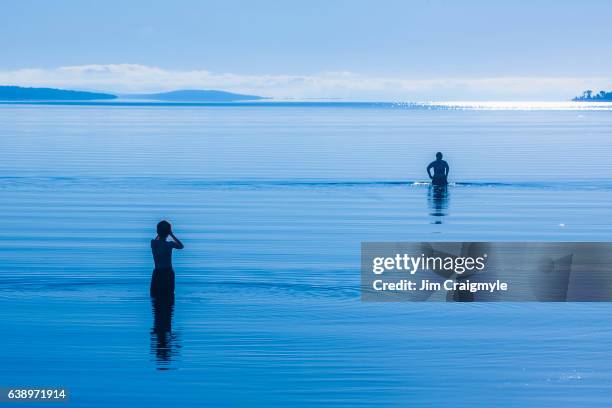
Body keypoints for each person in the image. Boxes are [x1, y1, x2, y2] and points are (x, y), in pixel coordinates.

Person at [150, 220, 184, 298]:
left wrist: (160, 232)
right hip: (168, 272)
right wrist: (171, 234)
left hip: (157, 272)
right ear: (168, 232)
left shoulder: (153, 243)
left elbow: (157, 239)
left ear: (157, 231)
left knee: (154, 294)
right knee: (169, 294)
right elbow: (181, 246)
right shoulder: (170, 244)